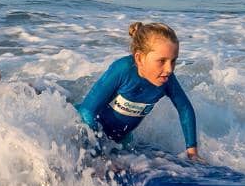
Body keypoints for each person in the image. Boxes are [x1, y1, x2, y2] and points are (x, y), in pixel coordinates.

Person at [76, 22, 200, 161]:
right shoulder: (122, 70)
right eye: (162, 61)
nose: (169, 69)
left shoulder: (167, 79)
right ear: (139, 58)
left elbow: (185, 109)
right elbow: (86, 111)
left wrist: (192, 151)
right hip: (83, 130)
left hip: (119, 140)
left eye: (173, 61)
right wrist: (101, 157)